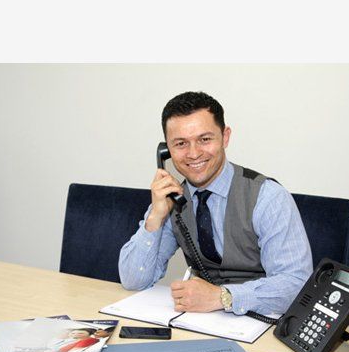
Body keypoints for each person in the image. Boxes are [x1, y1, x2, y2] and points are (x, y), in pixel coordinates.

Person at [118, 91, 313, 318]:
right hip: (201, 322)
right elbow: (133, 280)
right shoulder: (173, 199)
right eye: (180, 143)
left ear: (225, 137)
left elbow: (296, 284)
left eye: (205, 139)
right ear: (166, 151)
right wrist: (155, 217)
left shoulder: (267, 197)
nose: (193, 153)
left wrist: (222, 297)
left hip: (262, 320)